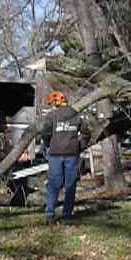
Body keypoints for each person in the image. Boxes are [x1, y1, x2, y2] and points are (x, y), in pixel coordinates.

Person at [41, 91, 90, 223]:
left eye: (52, 104)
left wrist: (47, 144)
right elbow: (86, 132)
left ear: (57, 102)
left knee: (53, 184)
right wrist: (80, 145)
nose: (52, 107)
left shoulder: (52, 116)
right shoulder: (76, 115)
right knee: (70, 185)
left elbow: (45, 132)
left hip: (55, 154)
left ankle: (49, 213)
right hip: (72, 154)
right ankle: (67, 215)